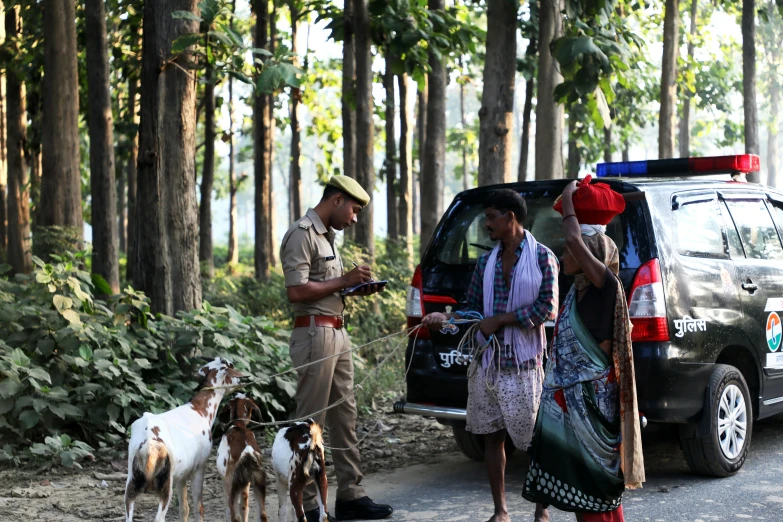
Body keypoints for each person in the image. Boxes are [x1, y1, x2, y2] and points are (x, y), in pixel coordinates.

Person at [422, 189, 558, 522]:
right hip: (488, 363)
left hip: (524, 364)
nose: (487, 224)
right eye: (486, 217)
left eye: (491, 216)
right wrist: (447, 319)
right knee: (491, 437)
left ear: (511, 217)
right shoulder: (486, 261)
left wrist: (502, 319)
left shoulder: (543, 257)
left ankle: (542, 511)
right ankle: (501, 512)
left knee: (536, 440)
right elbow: (472, 310)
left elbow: (548, 308)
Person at [522, 178, 646, 522]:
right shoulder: (578, 292)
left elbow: (575, 238)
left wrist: (567, 200)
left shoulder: (606, 285)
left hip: (593, 398)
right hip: (574, 397)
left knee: (594, 486)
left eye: (569, 251)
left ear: (590, 253)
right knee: (581, 483)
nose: (565, 253)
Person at [280, 175, 393, 522]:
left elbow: (325, 287)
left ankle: (350, 495)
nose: (355, 218)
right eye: (355, 209)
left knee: (346, 417)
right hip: (314, 336)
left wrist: (354, 289)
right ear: (337, 200)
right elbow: (296, 292)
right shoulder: (302, 234)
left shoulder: (327, 237)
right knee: (311, 423)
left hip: (337, 334)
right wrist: (344, 281)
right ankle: (309, 504)